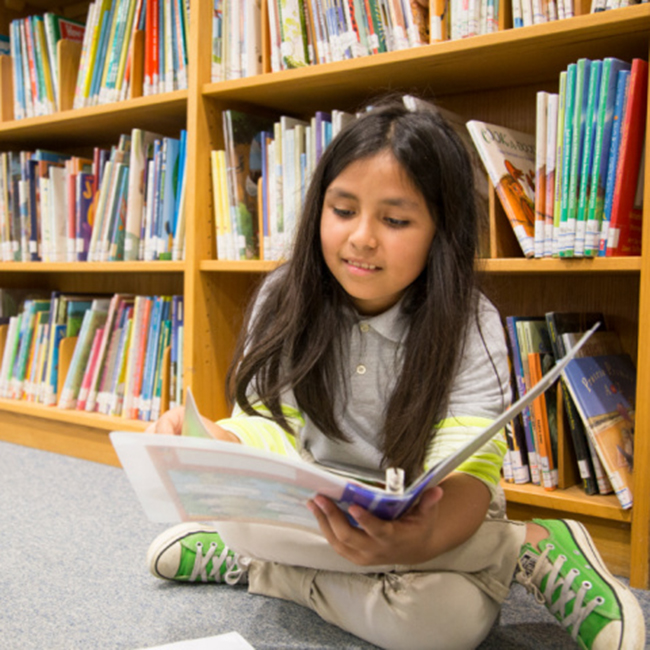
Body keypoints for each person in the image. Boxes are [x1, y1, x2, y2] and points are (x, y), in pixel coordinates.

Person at [145, 96, 644, 650]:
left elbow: (468, 475)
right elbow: (270, 427)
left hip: (437, 514)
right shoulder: (283, 296)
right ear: (319, 211)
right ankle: (267, 560)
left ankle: (517, 544)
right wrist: (218, 442)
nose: (362, 237)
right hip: (318, 505)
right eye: (343, 211)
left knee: (440, 630)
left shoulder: (468, 322)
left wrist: (417, 538)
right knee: (243, 523)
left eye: (396, 220)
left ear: (440, 232)